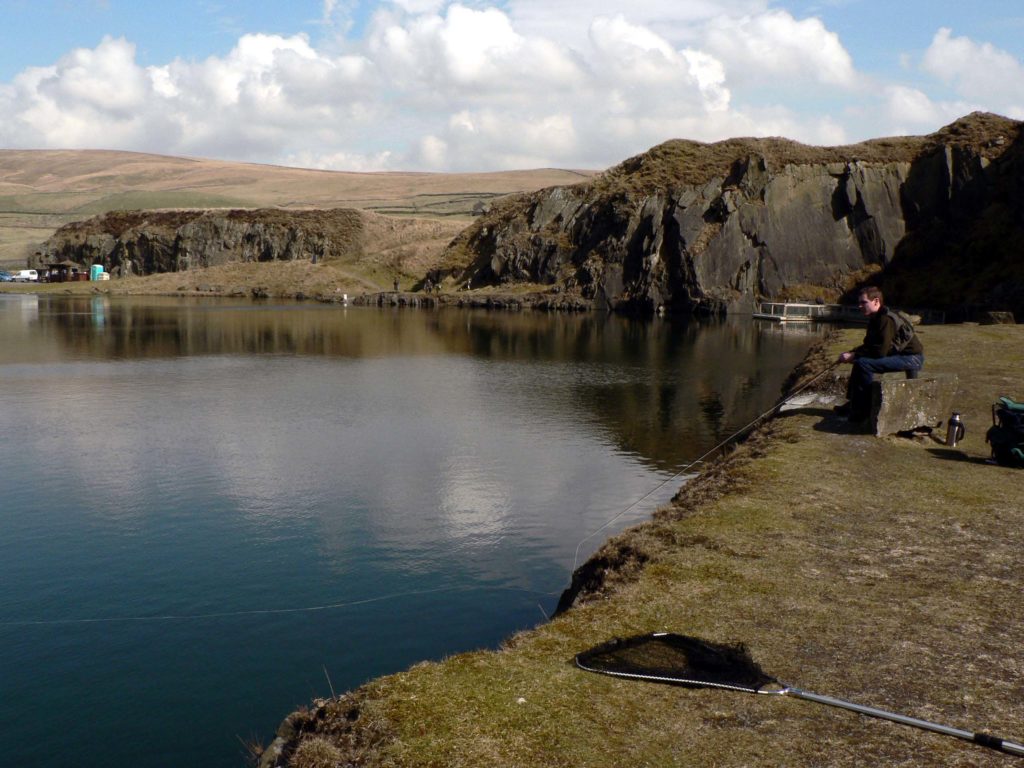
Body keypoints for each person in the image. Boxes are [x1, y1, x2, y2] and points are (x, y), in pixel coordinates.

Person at [835, 286, 924, 421]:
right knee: (859, 362)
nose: (860, 306)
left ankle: (863, 411)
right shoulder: (875, 318)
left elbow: (880, 352)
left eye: (863, 302)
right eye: (859, 303)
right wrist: (852, 352)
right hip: (901, 355)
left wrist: (854, 356)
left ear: (876, 301)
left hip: (911, 358)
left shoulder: (885, 320)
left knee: (863, 364)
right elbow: (869, 345)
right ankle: (854, 404)